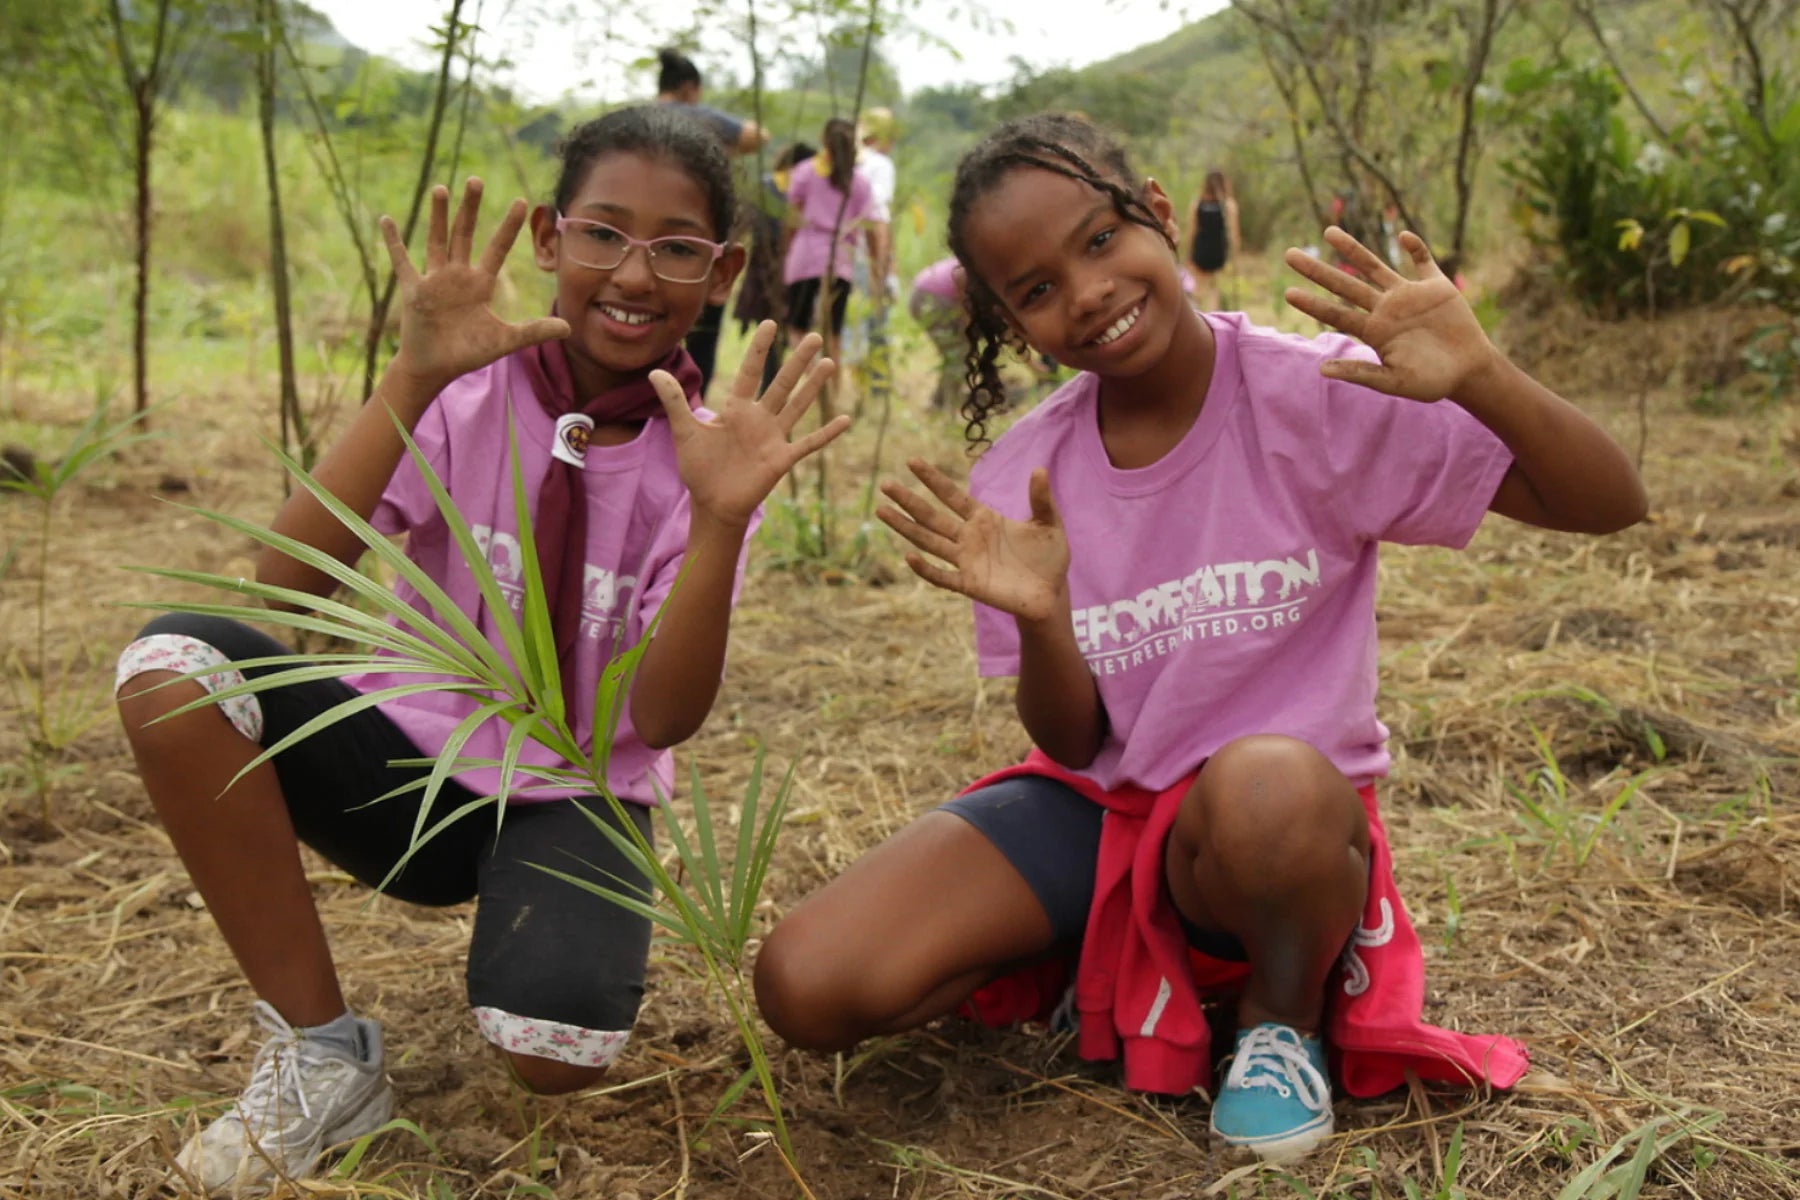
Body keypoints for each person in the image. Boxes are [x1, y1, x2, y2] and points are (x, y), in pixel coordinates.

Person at [754, 113, 1646, 1163]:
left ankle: (1279, 1024)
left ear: (1163, 217)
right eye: (1036, 289)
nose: (1086, 292)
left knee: (1265, 786)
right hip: (1102, 810)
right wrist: (1043, 619)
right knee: (807, 983)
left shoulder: (1317, 392)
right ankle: (1101, 966)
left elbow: (1609, 501)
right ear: (1005, 318)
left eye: (1099, 241)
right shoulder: (1025, 481)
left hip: (1267, 838)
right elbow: (1074, 741)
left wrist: (1482, 374)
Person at [114, 106, 847, 1196]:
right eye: (602, 233)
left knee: (550, 1048)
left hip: (575, 784)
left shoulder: (705, 457)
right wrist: (409, 381)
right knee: (174, 670)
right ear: (550, 240)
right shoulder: (465, 394)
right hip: (404, 767)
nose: (633, 274)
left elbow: (663, 717)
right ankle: (322, 1054)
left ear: (723, 268)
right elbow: (287, 590)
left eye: (677, 247)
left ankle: (534, 935)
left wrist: (724, 519)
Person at [654, 47, 770, 396]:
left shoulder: (633, 121)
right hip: (698, 246)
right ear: (690, 88)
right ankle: (693, 405)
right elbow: (758, 137)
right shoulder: (704, 120)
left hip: (644, 245)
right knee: (702, 335)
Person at [783, 117, 881, 354]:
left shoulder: (805, 172)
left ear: (823, 140)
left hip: (805, 258)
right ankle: (832, 388)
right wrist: (876, 265)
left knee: (797, 328)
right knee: (833, 334)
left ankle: (809, 382)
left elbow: (791, 218)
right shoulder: (859, 183)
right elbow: (871, 226)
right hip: (841, 260)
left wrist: (784, 252)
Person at [908, 255, 965, 411]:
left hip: (919, 295)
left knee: (954, 354)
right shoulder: (975, 265)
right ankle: (948, 407)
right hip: (932, 298)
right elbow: (964, 303)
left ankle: (939, 402)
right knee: (958, 355)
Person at [1187, 168, 1240, 312]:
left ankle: (1196, 312)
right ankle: (1213, 315)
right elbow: (1234, 234)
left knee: (1199, 286)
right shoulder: (1228, 206)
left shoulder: (1197, 204)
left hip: (1201, 250)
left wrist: (1189, 255)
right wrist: (1235, 257)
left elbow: (1192, 232)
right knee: (1214, 288)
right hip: (1218, 252)